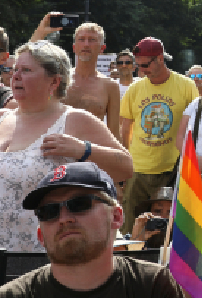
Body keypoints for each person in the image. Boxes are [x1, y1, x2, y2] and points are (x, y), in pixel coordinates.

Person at [0, 41, 133, 251]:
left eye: (26, 70)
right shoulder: (2, 118)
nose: (15, 75)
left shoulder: (73, 120)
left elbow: (126, 167)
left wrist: (83, 150)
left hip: (44, 254)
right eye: (15, 69)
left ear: (54, 81)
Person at [0, 162, 187, 298]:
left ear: (116, 217)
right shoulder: (14, 295)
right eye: (48, 211)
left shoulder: (153, 285)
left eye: (79, 204)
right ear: (41, 235)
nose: (64, 219)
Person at [120, 36, 199, 234]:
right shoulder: (135, 88)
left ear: (160, 59)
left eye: (145, 65)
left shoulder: (186, 86)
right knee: (132, 225)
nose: (141, 71)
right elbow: (126, 129)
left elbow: (197, 126)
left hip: (172, 169)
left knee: (171, 229)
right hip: (138, 169)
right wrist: (123, 166)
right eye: (138, 66)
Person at [30, 18, 123, 145]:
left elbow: (114, 134)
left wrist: (121, 161)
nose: (86, 44)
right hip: (54, 152)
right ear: (74, 47)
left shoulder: (110, 86)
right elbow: (29, 61)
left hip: (90, 158)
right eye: (81, 39)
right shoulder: (59, 78)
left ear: (102, 48)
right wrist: (40, 32)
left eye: (92, 40)